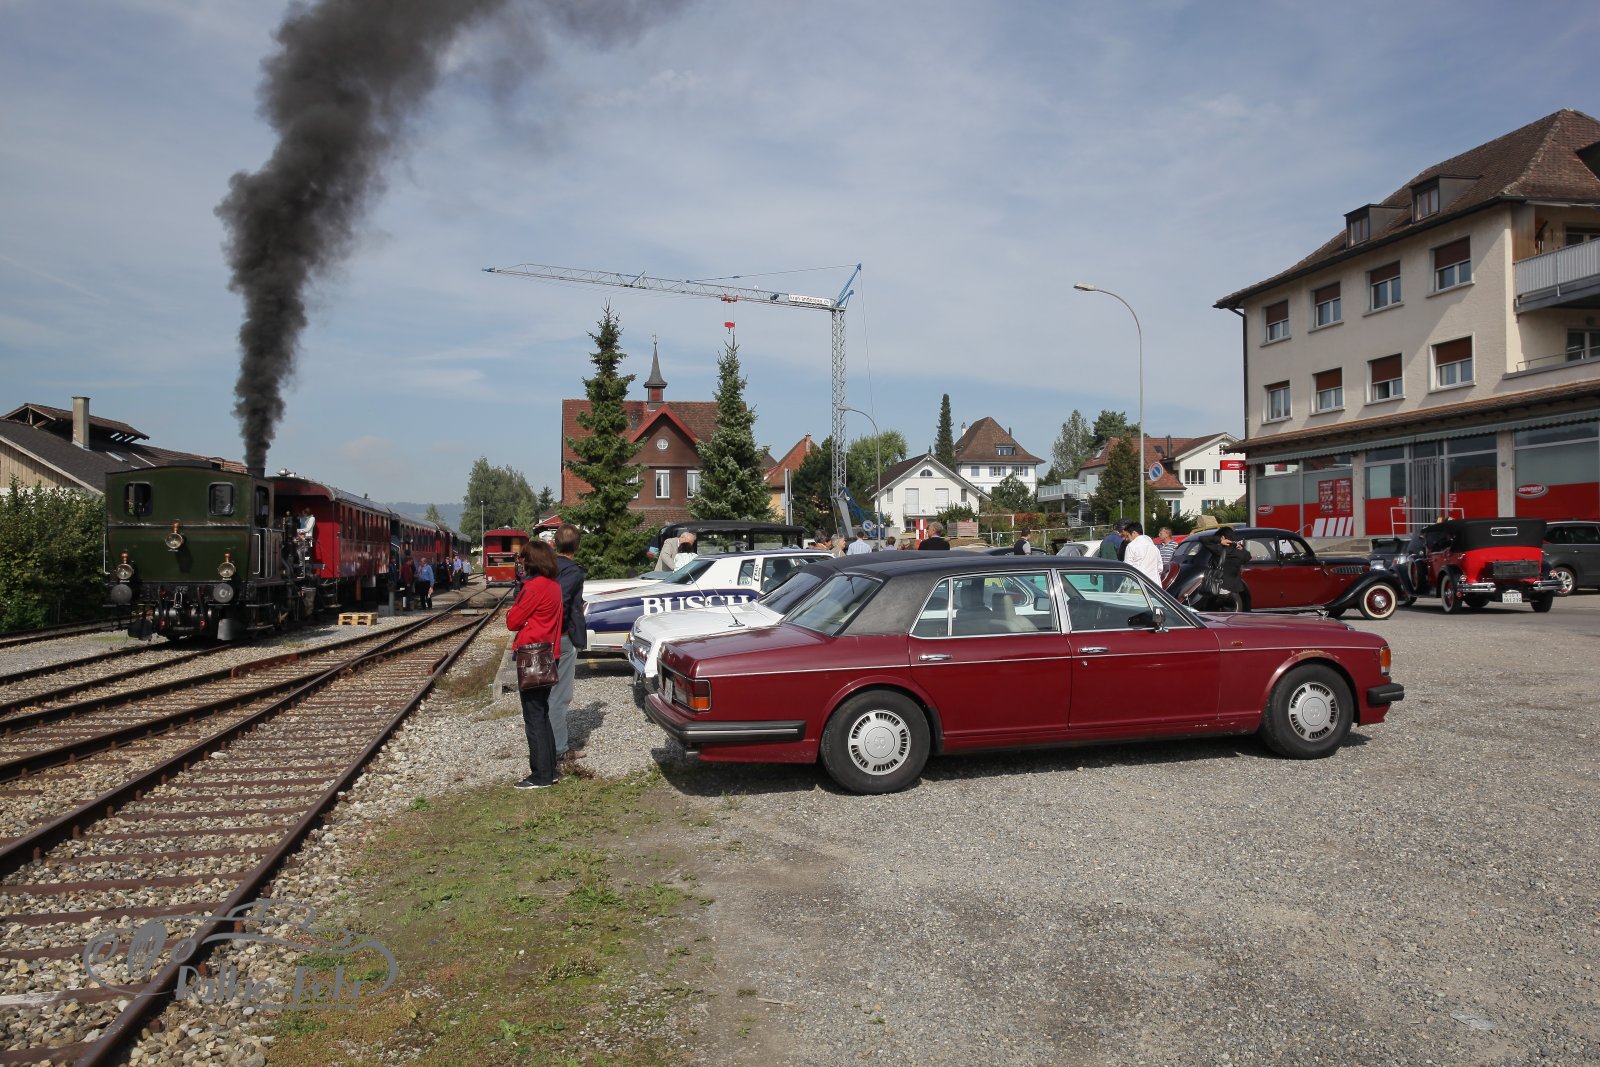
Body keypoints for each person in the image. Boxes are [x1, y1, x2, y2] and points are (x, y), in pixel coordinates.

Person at [507, 540, 563, 789]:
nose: (520, 561)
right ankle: (550, 770)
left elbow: (512, 621)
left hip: (532, 655)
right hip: (549, 652)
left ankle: (540, 775)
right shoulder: (553, 585)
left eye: (522, 557)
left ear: (531, 561)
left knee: (533, 715)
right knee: (542, 712)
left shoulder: (533, 588)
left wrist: (520, 615)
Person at [551, 523, 588, 764]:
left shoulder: (547, 566)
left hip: (543, 637)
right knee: (560, 695)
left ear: (555, 543)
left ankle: (546, 744)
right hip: (562, 637)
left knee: (545, 694)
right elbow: (561, 601)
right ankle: (559, 748)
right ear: (576, 546)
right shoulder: (573, 571)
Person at [1199, 526, 1251, 611]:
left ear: (1223, 537)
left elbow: (1202, 539)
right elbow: (1248, 556)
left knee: (1210, 615)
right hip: (1234, 594)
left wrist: (1219, 540)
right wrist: (1241, 547)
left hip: (1218, 591)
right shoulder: (1241, 553)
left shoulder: (1219, 550)